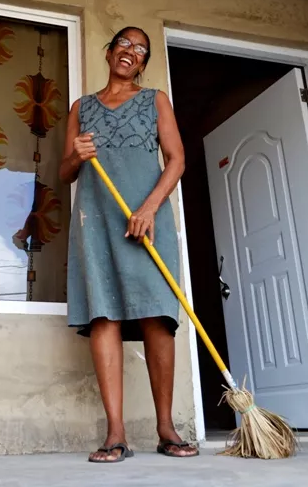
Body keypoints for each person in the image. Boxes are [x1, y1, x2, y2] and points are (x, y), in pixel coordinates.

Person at [59, 26, 199, 463]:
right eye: (125, 43)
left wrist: (151, 207)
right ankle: (115, 432)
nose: (131, 52)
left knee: (158, 314)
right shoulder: (80, 108)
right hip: (97, 221)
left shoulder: (155, 99)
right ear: (110, 50)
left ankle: (165, 427)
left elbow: (176, 160)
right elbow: (65, 172)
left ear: (143, 63)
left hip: (146, 221)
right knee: (104, 315)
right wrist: (76, 155)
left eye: (141, 49)